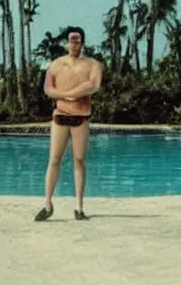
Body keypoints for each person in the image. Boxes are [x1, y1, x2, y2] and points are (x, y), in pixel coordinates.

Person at [34, 26, 104, 222]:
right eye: (72, 40)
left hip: (81, 117)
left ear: (83, 42)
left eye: (78, 40)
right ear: (66, 42)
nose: (75, 43)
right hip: (61, 116)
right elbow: (48, 89)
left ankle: (79, 207)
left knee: (79, 160)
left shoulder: (93, 65)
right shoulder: (56, 65)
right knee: (54, 159)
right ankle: (48, 204)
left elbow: (94, 85)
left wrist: (73, 93)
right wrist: (69, 95)